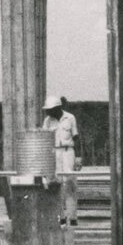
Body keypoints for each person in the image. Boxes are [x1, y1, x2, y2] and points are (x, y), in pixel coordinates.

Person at [45, 95, 81, 226]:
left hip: (67, 151)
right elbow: (45, 140)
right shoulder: (48, 121)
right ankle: (60, 216)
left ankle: (72, 217)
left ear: (57, 108)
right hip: (54, 152)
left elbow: (76, 138)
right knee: (56, 184)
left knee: (70, 183)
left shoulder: (70, 118)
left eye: (50, 109)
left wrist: (78, 157)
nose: (48, 112)